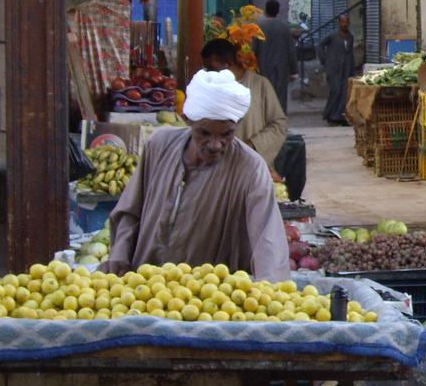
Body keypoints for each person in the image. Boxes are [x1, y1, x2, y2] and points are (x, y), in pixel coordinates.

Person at [102, 69, 292, 281]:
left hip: (206, 297)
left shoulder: (250, 167)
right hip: (145, 286)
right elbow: (130, 211)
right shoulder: (159, 145)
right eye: (204, 132)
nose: (214, 144)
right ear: (187, 120)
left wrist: (270, 290)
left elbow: (268, 240)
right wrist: (119, 255)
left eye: (226, 134)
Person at [202, 38, 288, 168]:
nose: (209, 74)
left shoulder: (259, 85)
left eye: (213, 69)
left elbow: (279, 125)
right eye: (207, 70)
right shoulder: (208, 89)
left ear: (229, 63)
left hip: (252, 166)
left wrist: (252, 145)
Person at [253, 0, 299, 112]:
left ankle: (264, 123)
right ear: (278, 11)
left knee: (263, 97)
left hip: (262, 68)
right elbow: (290, 50)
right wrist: (294, 70)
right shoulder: (284, 27)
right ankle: (280, 124)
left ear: (265, 10)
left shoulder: (258, 26)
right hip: (281, 69)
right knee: (280, 98)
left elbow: (253, 49)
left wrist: (250, 68)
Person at [318, 14, 357, 126]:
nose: (345, 25)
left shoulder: (350, 37)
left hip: (346, 69)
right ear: (339, 23)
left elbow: (350, 54)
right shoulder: (333, 35)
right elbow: (319, 45)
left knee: (344, 92)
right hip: (333, 69)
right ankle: (330, 115)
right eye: (343, 22)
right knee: (335, 91)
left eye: (347, 23)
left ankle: (339, 116)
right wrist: (325, 60)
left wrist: (352, 69)